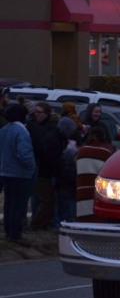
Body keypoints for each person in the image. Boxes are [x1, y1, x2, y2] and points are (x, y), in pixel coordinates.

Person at [31, 116, 76, 229]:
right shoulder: (54, 140)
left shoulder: (55, 137)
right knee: (48, 200)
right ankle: (37, 224)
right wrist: (61, 170)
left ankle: (42, 223)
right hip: (45, 174)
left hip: (46, 173)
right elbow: (51, 160)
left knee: (47, 200)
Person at [0, 104, 36, 244]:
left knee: (9, 203)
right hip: (20, 173)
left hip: (5, 171)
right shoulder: (22, 131)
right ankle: (15, 233)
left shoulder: (3, 130)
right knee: (18, 204)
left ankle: (9, 231)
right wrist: (31, 166)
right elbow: (24, 154)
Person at [28, 101, 57, 230]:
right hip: (35, 167)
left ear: (46, 114)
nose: (36, 114)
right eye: (35, 112)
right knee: (38, 197)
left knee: (45, 198)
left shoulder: (50, 128)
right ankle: (37, 221)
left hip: (45, 168)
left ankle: (39, 222)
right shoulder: (33, 126)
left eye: (39, 112)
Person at [75, 126, 115, 218]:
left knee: (84, 218)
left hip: (82, 191)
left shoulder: (81, 151)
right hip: (100, 194)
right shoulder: (107, 151)